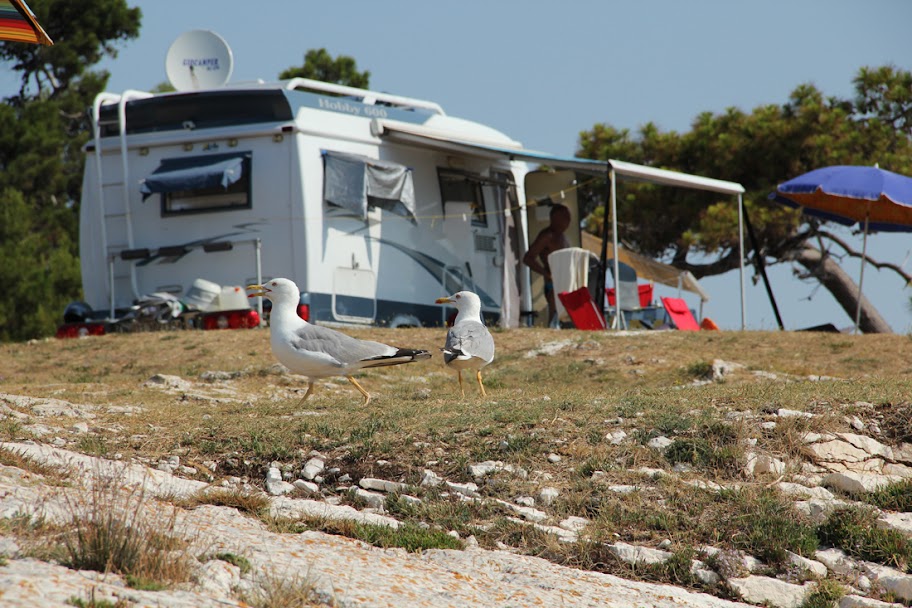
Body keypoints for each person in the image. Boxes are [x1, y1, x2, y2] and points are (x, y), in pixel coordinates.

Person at [523, 203, 572, 327]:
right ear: (555, 218)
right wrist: (547, 274)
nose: (569, 221)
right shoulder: (547, 235)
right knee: (555, 316)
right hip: (553, 284)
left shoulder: (562, 236)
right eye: (565, 217)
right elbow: (528, 258)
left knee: (565, 317)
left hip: (566, 282)